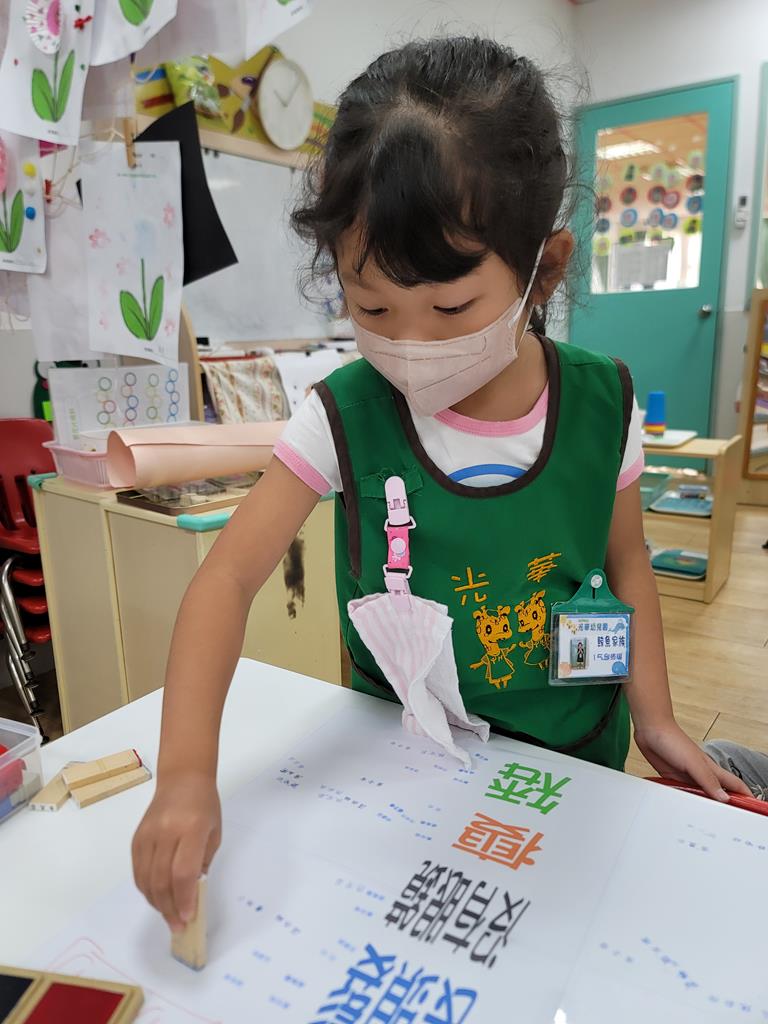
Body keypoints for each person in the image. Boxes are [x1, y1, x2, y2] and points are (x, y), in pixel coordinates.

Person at [132, 36, 748, 932]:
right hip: (404, 775)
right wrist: (187, 773)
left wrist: (656, 717)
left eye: (451, 308)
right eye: (371, 307)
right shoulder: (344, 413)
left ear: (545, 269)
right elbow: (225, 579)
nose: (409, 344)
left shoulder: (601, 403)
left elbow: (627, 563)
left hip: (571, 761)